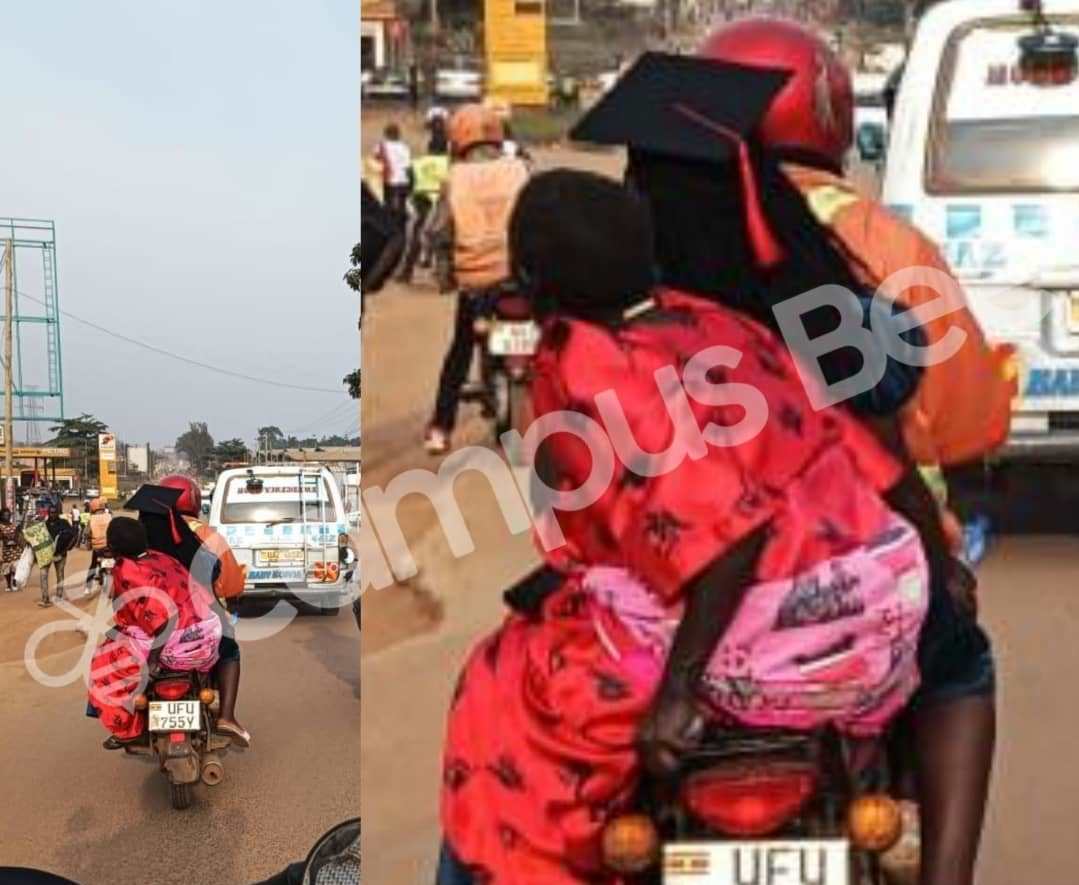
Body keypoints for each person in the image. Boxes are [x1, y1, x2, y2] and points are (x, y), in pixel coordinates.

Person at [566, 24, 1002, 885]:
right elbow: (883, 442)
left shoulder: (614, 315)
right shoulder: (818, 289)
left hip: (668, 631)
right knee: (960, 662)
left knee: (515, 712)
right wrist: (933, 550)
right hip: (831, 611)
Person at [439, 170, 956, 882]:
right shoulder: (715, 323)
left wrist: (678, 695)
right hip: (872, 618)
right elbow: (863, 455)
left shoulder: (586, 363)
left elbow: (725, 535)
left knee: (497, 693)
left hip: (755, 637)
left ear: (533, 276)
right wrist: (937, 567)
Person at [423, 103, 530, 455]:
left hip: (477, 283)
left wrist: (445, 274)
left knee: (460, 350)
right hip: (520, 277)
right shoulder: (520, 169)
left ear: (458, 140)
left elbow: (437, 231)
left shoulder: (455, 178)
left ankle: (440, 427)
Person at [88, 517, 220, 747]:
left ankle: (128, 728)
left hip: (170, 645)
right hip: (206, 638)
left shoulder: (126, 569)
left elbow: (160, 623)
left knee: (102, 666)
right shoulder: (164, 557)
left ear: (113, 546)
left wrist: (152, 662)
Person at [159, 474, 251, 746]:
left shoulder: (146, 530)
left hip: (154, 625)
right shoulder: (207, 535)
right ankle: (226, 716)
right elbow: (232, 585)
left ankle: (128, 716)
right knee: (230, 649)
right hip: (200, 625)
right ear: (195, 500)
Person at [396, 123, 451, 285]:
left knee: (415, 238)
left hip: (423, 202)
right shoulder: (451, 164)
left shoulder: (419, 163)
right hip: (444, 204)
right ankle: (448, 277)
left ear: (429, 147)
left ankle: (406, 273)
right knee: (446, 239)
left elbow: (409, 180)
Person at [374, 123, 414, 223]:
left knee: (388, 208)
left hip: (389, 181)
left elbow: (376, 162)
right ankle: (402, 231)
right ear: (398, 134)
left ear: (386, 134)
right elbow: (408, 168)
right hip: (403, 181)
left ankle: (390, 230)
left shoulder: (380, 146)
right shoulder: (404, 148)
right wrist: (412, 183)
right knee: (402, 207)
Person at [40, 505, 76, 603]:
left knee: (60, 575)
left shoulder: (64, 523)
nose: (53, 514)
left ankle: (59, 596)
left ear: (58, 513)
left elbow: (72, 536)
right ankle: (45, 598)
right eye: (51, 512)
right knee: (43, 575)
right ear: (48, 513)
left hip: (60, 554)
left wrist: (66, 548)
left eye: (55, 512)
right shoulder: (43, 525)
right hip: (46, 555)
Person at [83, 497, 112, 597]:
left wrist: (88, 539)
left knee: (93, 566)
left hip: (97, 548)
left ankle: (88, 587)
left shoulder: (91, 519)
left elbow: (86, 533)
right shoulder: (109, 516)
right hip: (109, 547)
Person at [0, 508, 25, 592]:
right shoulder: (0, 526)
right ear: (1, 516)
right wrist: (4, 536)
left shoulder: (13, 525)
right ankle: (8, 585)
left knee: (15, 567)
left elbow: (18, 536)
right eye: (5, 515)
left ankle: (14, 583)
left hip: (15, 549)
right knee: (7, 569)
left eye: (8, 515)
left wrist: (18, 532)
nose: (7, 517)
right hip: (6, 550)